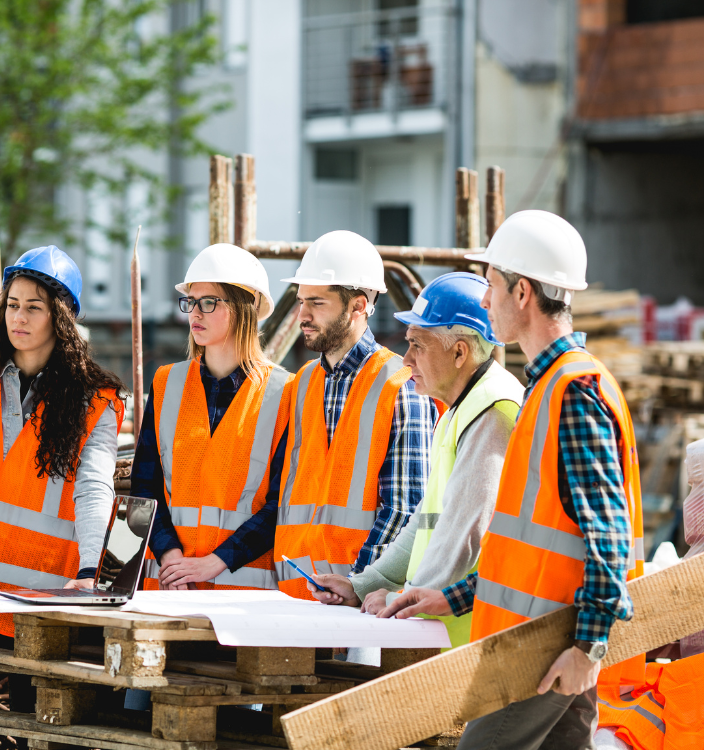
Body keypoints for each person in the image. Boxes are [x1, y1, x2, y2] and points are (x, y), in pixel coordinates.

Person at [380, 210, 645, 749]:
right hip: (540, 641)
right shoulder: (549, 388)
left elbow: (608, 535)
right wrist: (452, 597)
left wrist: (588, 648)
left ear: (522, 292)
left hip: (545, 649)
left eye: (493, 286)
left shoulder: (572, 392)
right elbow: (531, 550)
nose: (485, 301)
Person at [0, 245, 123, 689]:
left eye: (34, 307)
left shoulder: (95, 399)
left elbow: (94, 488)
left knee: (31, 726)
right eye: (13, 305)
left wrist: (89, 571)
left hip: (36, 602)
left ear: (63, 316)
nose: (19, 318)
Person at [306, 272, 523, 649]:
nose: (406, 360)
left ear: (459, 352)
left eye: (418, 346)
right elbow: (425, 525)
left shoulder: (492, 411)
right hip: (452, 635)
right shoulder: (461, 409)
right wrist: (364, 586)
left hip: (477, 643)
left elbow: (463, 536)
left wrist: (403, 599)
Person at [273, 230, 439, 600]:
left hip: (363, 601)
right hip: (294, 594)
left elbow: (404, 508)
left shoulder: (401, 385)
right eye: (301, 301)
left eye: (316, 302)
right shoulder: (302, 384)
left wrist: (359, 584)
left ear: (358, 306)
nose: (303, 315)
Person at [132, 243, 291, 591]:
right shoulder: (166, 382)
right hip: (168, 589)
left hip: (243, 598)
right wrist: (170, 556)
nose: (194, 314)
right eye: (191, 302)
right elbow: (144, 488)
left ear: (243, 307)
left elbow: (282, 504)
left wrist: (213, 563)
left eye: (208, 302)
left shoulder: (286, 394)